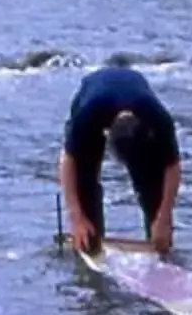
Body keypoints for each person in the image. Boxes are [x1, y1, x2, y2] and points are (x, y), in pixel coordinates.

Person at [57, 62, 181, 257]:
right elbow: (68, 161)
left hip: (135, 91)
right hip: (94, 94)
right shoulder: (88, 115)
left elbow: (172, 166)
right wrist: (77, 218)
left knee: (152, 189)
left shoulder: (158, 118)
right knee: (85, 184)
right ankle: (88, 239)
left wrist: (163, 217)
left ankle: (160, 244)